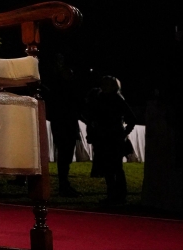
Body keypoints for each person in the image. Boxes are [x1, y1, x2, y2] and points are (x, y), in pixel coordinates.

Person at [85, 75, 137, 205]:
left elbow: (131, 118)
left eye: (106, 84)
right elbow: (93, 116)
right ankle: (112, 195)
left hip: (113, 138)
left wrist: (123, 133)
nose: (103, 86)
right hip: (103, 138)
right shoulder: (99, 98)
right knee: (108, 168)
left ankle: (119, 195)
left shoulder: (117, 99)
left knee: (116, 167)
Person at [46, 54, 83, 197]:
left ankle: (64, 183)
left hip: (66, 124)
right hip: (63, 125)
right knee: (64, 155)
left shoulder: (65, 90)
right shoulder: (62, 91)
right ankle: (63, 184)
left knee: (66, 156)